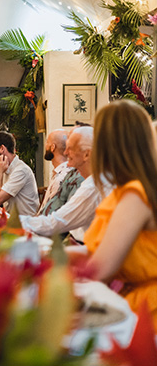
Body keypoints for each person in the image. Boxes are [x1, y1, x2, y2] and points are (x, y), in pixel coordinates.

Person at [73, 100, 157, 330]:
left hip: (147, 312)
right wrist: (51, 254)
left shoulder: (135, 196)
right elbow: (100, 251)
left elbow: (101, 268)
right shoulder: (126, 191)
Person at [20, 127, 112, 242]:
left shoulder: (93, 185)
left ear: (86, 154)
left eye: (71, 148)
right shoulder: (90, 179)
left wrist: (17, 222)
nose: (65, 152)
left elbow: (59, 222)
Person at [0, 131, 39, 216]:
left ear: (2, 149)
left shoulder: (20, 171)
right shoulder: (6, 167)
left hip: (24, 225)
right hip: (13, 221)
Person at [38, 129, 84, 216]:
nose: (45, 145)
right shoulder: (62, 173)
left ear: (52, 147)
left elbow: (50, 214)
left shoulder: (61, 177)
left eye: (47, 142)